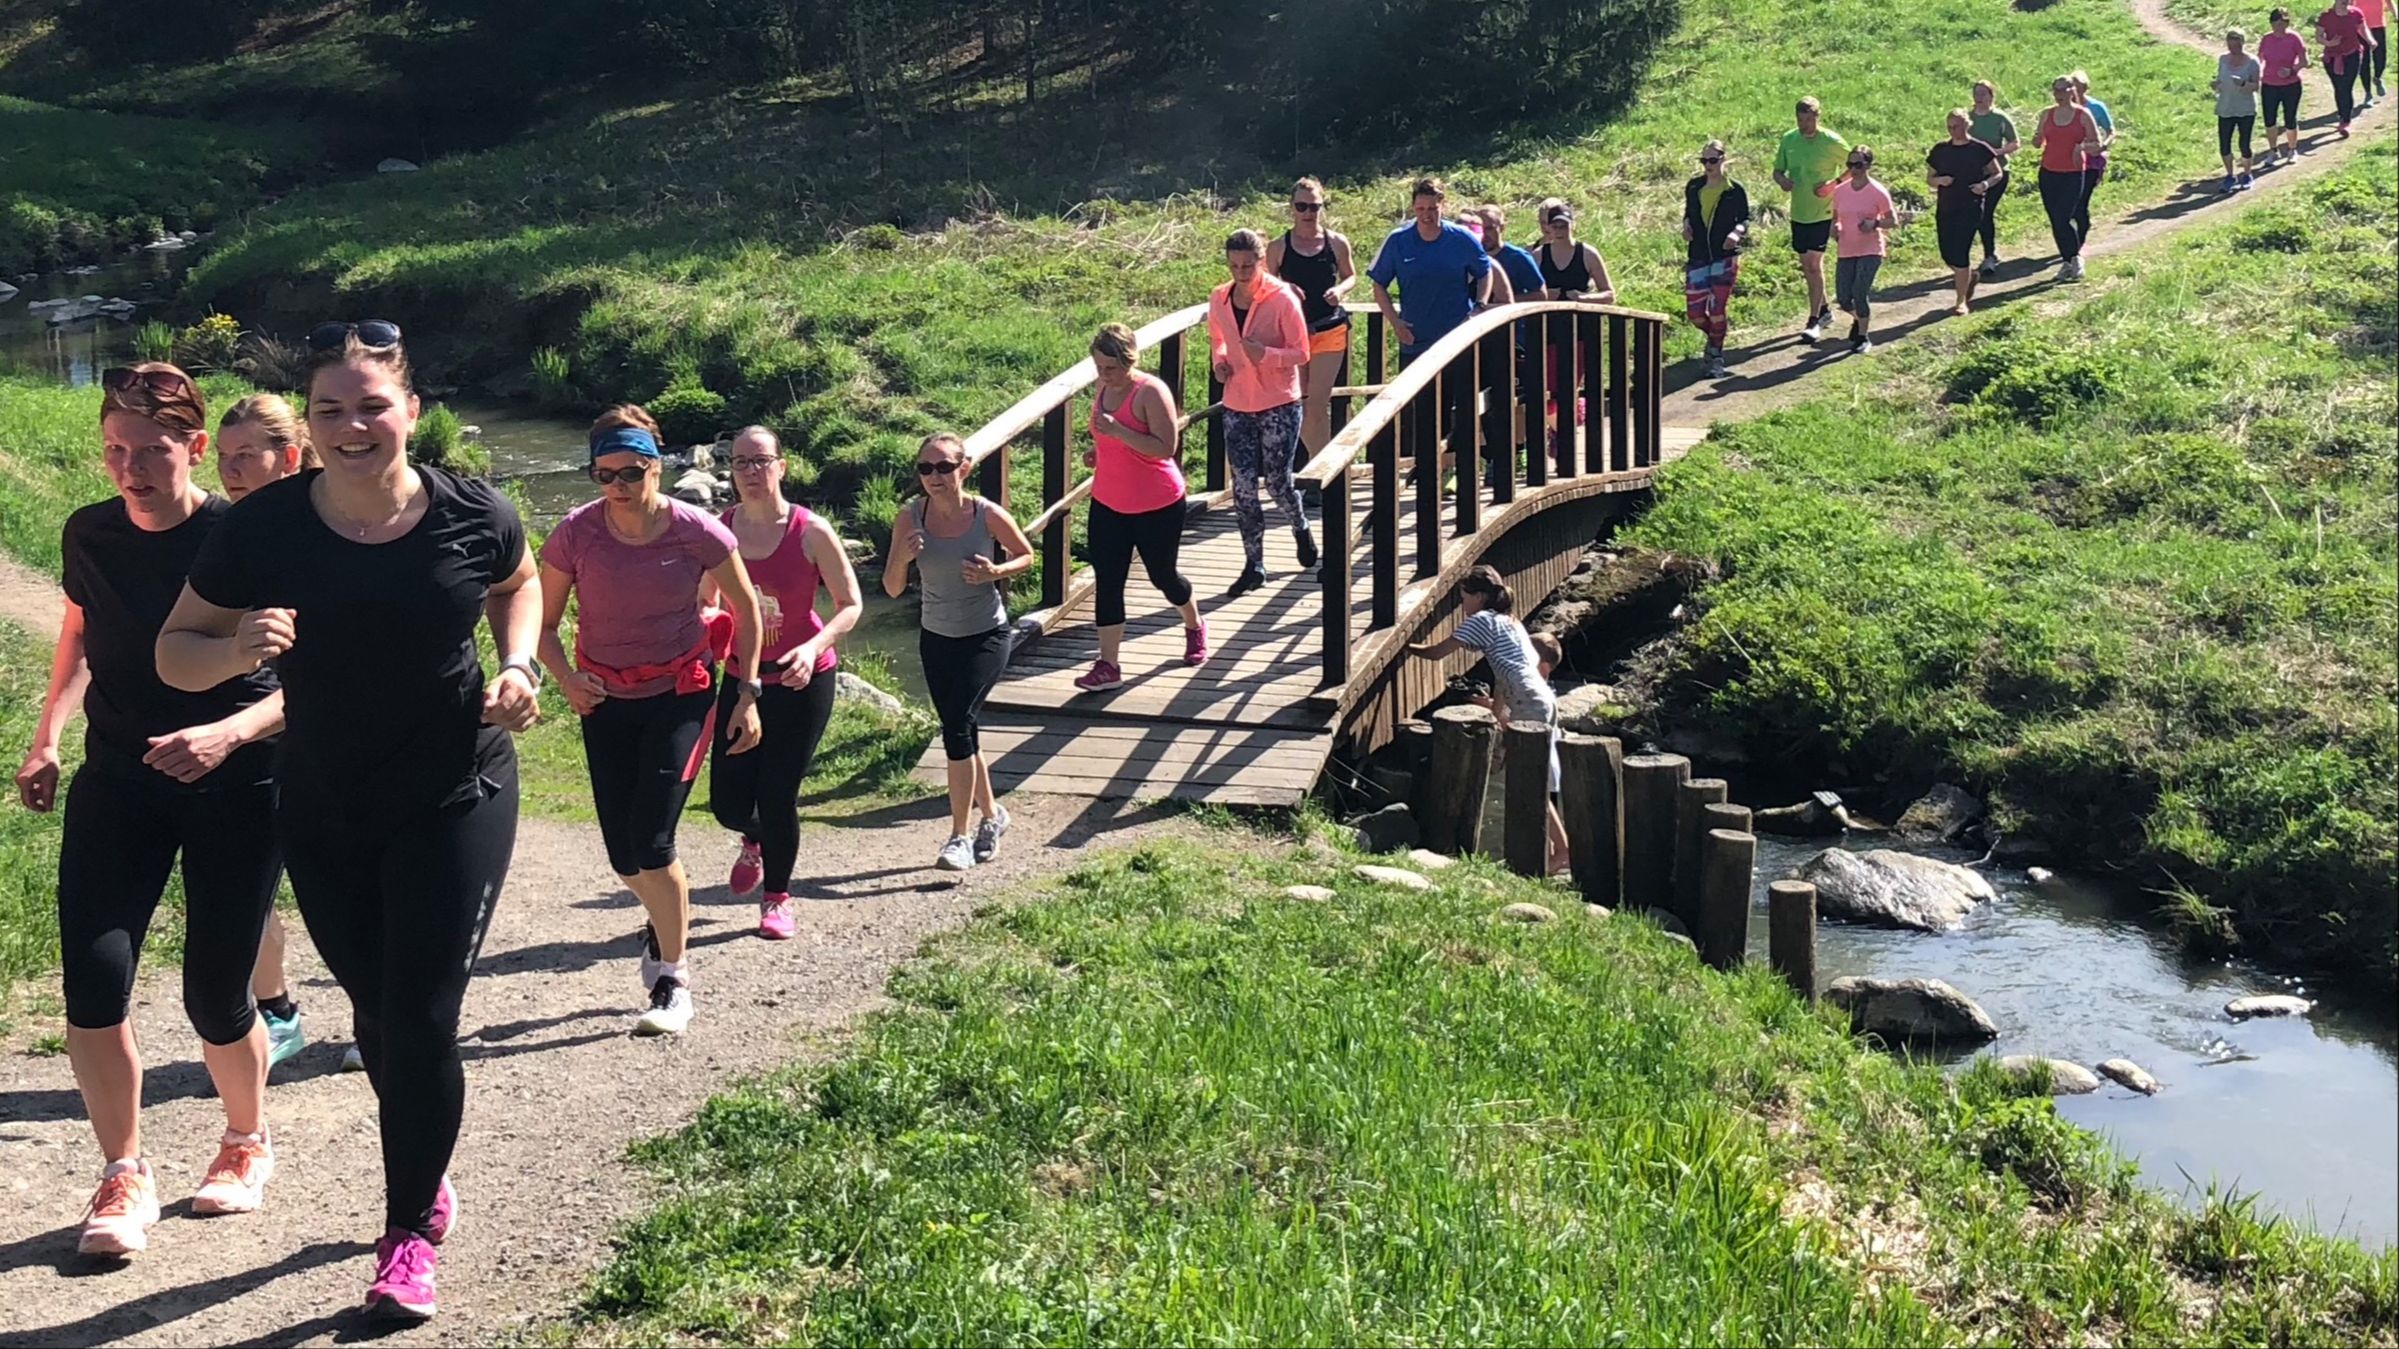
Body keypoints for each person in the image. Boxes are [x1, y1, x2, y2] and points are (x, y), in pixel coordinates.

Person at [158, 320, 543, 1320]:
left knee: (419, 1016)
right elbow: (176, 652)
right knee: (377, 1013)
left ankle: (406, 1230)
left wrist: (519, 663)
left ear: (411, 410)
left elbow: (518, 582)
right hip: (326, 803)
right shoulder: (264, 528)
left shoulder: (473, 511)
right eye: (330, 409)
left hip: (455, 790)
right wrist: (235, 646)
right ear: (310, 425)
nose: (352, 425)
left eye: (372, 405)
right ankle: (427, 1156)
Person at [14, 365, 285, 1257]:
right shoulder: (89, 531)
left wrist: (226, 735)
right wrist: (49, 735)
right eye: (114, 450)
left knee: (216, 991)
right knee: (93, 987)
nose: (129, 469)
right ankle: (123, 1170)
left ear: (196, 448)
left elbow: (310, 677)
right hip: (119, 782)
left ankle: (245, 1139)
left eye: (151, 451)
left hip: (237, 780)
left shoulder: (245, 537)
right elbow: (83, 633)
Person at [537, 404, 763, 1038]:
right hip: (604, 699)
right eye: (603, 474)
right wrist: (566, 678)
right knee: (624, 858)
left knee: (653, 842)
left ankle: (673, 977)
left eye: (631, 473)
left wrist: (747, 695)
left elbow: (746, 610)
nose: (617, 486)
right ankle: (663, 922)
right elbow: (543, 625)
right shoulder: (576, 534)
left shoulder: (696, 531)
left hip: (680, 694)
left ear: (656, 467)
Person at [211, 393, 332, 1074]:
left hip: (325, 731)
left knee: (344, 884)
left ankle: (381, 1015)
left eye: (244, 456)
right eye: (223, 457)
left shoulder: (328, 526)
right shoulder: (226, 531)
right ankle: (278, 1011)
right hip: (247, 730)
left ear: (287, 457)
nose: (229, 471)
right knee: (245, 884)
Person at [708, 426, 860, 936]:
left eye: (761, 461)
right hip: (741, 678)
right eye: (740, 463)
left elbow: (850, 604)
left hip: (802, 680)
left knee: (778, 793)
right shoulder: (719, 531)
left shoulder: (811, 531)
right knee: (727, 804)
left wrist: (813, 647)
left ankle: (776, 898)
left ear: (781, 466)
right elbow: (706, 600)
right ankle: (754, 838)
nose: (751, 472)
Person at [881, 432, 1033, 871]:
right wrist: (902, 559)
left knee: (958, 727)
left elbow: (1026, 555)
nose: (935, 476)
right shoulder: (910, 517)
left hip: (986, 636)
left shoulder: (985, 514)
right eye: (926, 468)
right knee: (960, 729)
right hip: (936, 637)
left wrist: (995, 572)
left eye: (945, 467)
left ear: (964, 468)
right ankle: (993, 815)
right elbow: (891, 588)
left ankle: (959, 837)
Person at [1403, 566, 1568, 874]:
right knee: (1531, 777)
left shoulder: (1483, 620)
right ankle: (1546, 854)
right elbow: (1503, 678)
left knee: (1529, 783)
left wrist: (1406, 645)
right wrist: (1496, 717)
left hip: (1529, 703)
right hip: (1542, 699)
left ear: (1479, 597)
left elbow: (1438, 652)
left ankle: (1562, 851)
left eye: (1464, 598)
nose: (1462, 605)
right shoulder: (1511, 622)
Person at [1071, 323, 1206, 691]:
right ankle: (1108, 665)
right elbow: (1109, 437)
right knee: (1108, 580)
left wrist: (1118, 432)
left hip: (1157, 503)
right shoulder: (1104, 388)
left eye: (1111, 368)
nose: (1104, 375)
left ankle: (1193, 624)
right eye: (1099, 367)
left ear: (1129, 360)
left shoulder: (1150, 391)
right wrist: (1099, 450)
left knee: (1163, 576)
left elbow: (1164, 447)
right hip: (1108, 502)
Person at [1208, 229, 1317, 596]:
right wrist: (1220, 363)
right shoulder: (1220, 297)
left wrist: (1266, 355)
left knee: (1276, 482)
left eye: (1248, 266)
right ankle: (1254, 564)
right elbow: (1218, 340)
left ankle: (1300, 525)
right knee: (1242, 487)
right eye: (1234, 266)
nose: (1241, 273)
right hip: (1237, 402)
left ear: (1261, 262)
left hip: (1279, 402)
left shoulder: (1282, 298)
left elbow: (1301, 352)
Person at [1263, 178, 1358, 459]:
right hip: (1293, 333)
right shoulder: (1278, 246)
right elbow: (1264, 284)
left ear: (1322, 207)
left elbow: (1350, 275)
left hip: (1329, 329)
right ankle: (1328, 467)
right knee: (1298, 404)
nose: (1308, 213)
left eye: (1314, 206)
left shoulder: (1336, 242)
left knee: (1315, 407)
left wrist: (1340, 290)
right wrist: (1285, 288)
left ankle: (1325, 470)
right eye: (1302, 206)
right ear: (1292, 207)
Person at [1367, 176, 1494, 366]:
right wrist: (1395, 322)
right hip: (1415, 340)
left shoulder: (1462, 238)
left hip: (1458, 338)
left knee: (1460, 385)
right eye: (1421, 209)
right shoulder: (1398, 240)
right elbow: (1378, 284)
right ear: (1413, 208)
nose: (1427, 215)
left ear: (1443, 205)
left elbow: (1484, 272)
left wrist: (1479, 307)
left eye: (1433, 209)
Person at [1772, 96, 1849, 344]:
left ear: (1817, 117)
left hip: (1823, 212)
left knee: (1814, 265)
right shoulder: (1789, 139)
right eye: (1800, 120)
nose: (1804, 125)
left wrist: (1834, 184)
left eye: (1808, 120)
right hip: (1799, 212)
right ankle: (1824, 309)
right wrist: (1782, 181)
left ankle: (1813, 320)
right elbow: (1777, 170)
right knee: (1807, 266)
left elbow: (1856, 165)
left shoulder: (1831, 141)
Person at [1681, 140, 1750, 379]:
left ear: (1723, 159)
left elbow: (1745, 218)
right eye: (1704, 161)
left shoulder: (1734, 190)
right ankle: (1715, 338)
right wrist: (1686, 226)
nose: (1708, 165)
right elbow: (1688, 214)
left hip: (1725, 256)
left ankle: (1715, 355)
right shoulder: (1694, 186)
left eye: (1712, 160)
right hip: (1698, 255)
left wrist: (1736, 233)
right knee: (1695, 313)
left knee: (1717, 309)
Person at [1927, 111, 2004, 316]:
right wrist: (1940, 181)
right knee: (1947, 254)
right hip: (1946, 207)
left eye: (1957, 126)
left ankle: (1961, 301)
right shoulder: (1940, 150)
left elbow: (1997, 173)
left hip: (1970, 207)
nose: (1953, 131)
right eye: (1950, 127)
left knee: (1961, 254)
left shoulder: (1979, 149)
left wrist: (1984, 185)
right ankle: (1970, 276)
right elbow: (1930, 178)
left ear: (1967, 125)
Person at [2033, 76, 2105, 280]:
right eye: (2055, 90)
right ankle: (2067, 262)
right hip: (2048, 172)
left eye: (2063, 90)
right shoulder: (2047, 114)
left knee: (2064, 217)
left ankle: (2076, 257)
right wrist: (2036, 139)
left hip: (2073, 173)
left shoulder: (2083, 114)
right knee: (2055, 220)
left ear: (2072, 91)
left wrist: (2081, 147)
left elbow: (2097, 144)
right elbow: (2038, 141)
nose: (2059, 94)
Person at [1830, 146, 1899, 353]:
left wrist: (1875, 224)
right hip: (1846, 249)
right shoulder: (1840, 191)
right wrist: (1835, 228)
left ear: (1868, 165)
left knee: (1859, 293)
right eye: (1850, 165)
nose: (1854, 169)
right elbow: (1835, 218)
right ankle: (1859, 319)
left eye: (1858, 165)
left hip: (1870, 250)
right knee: (1843, 298)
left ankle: (1863, 336)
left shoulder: (1877, 191)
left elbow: (1892, 221)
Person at [1967, 81, 2021, 277]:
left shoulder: (1999, 118)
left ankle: (1989, 256)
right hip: (1973, 173)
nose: (1979, 97)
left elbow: (2015, 142)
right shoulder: (1968, 118)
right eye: (1976, 93)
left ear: (1991, 96)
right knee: (1972, 214)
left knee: (1986, 212)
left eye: (1983, 93)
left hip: (1998, 173)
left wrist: (1997, 152)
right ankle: (1965, 259)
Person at [2068, 71, 2116, 248]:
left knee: (2081, 201)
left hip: (2091, 162)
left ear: (2085, 88)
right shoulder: (2063, 109)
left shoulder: (2096, 107)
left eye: (2078, 88)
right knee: (2069, 203)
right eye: (2072, 88)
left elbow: (2111, 131)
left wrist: (2103, 146)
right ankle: (2075, 235)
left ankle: (2079, 241)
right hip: (2068, 161)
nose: (2075, 92)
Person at [2215, 30, 2266, 191]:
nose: (2233, 48)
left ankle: (2247, 174)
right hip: (2225, 107)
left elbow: (2256, 86)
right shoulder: (2223, 59)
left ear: (2242, 43)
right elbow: (2220, 79)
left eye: (2236, 45)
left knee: (2244, 144)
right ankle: (2230, 175)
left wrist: (2243, 84)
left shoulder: (2252, 61)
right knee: (2224, 145)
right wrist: (2216, 85)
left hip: (2246, 108)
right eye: (2230, 45)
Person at [2317, 0, 2376, 133]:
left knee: (2346, 87)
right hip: (2331, 58)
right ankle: (2342, 114)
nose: (2345, 2)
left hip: (2352, 55)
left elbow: (2363, 28)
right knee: (2339, 87)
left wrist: (2370, 40)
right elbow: (2318, 36)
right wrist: (2329, 43)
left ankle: (2345, 120)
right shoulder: (2326, 16)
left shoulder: (2356, 13)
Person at [2260, 10, 2310, 164]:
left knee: (2290, 118)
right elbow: (2260, 59)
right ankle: (2273, 150)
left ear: (2287, 23)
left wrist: (2291, 70)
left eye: (2282, 23)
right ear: (2271, 23)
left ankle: (2292, 149)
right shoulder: (2266, 39)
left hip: (2291, 85)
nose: (2279, 27)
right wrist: (2258, 72)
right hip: (2269, 84)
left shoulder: (2294, 38)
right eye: (2276, 23)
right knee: (2269, 119)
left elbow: (2305, 61)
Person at [2361, 0, 2388, 101]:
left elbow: (2389, 2)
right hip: (2360, 26)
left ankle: (2377, 78)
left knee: (2381, 57)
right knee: (2364, 60)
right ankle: (2368, 93)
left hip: (2378, 25)